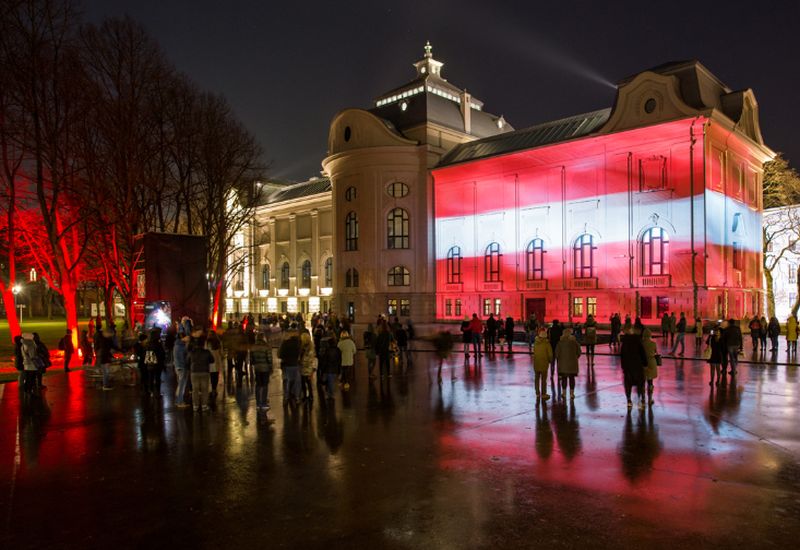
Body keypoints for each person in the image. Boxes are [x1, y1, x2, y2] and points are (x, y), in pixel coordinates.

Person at [620, 328, 647, 409]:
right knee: (640, 383)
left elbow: (622, 355)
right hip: (637, 365)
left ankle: (629, 400)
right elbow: (642, 353)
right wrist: (645, 363)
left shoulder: (625, 342)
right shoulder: (638, 340)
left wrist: (623, 366)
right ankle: (640, 399)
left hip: (628, 366)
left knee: (628, 384)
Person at [187, 335, 214, 412]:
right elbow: (212, 360)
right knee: (204, 389)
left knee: (195, 390)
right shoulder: (206, 352)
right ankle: (204, 405)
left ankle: (195, 406)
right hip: (204, 372)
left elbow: (187, 362)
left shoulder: (191, 352)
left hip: (194, 372)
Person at [554, 327, 581, 400]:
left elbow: (556, 354)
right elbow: (579, 352)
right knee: (572, 379)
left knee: (564, 379)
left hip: (563, 365)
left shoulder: (560, 343)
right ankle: (572, 394)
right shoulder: (575, 343)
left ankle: (564, 393)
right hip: (573, 365)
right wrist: (574, 358)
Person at [250, 333, 273, 411]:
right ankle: (263, 403)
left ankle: (258, 403)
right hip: (265, 368)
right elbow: (269, 359)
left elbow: (251, 359)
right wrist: (270, 367)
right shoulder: (266, 347)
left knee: (258, 385)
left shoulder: (253, 347)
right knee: (265, 385)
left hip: (257, 368)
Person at [278, 328, 302, 405]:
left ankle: (286, 397)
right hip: (295, 364)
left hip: (286, 364)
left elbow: (280, 355)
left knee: (286, 381)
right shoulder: (298, 343)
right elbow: (300, 353)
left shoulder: (285, 343)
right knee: (296, 381)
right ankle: (296, 397)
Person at [319, 331, 341, 400]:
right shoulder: (338, 350)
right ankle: (329, 393)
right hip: (335, 368)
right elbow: (339, 360)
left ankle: (330, 394)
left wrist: (322, 369)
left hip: (328, 368)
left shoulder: (327, 351)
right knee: (331, 381)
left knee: (329, 382)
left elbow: (325, 361)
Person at [533, 328, 552, 401]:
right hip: (544, 364)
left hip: (536, 364)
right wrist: (550, 361)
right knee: (543, 380)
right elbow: (550, 354)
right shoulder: (547, 344)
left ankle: (537, 393)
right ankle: (543, 394)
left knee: (537, 379)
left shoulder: (536, 342)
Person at [145, 328, 166, 396]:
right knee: (157, 378)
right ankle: (158, 392)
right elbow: (161, 353)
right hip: (157, 363)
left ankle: (151, 391)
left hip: (150, 362)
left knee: (150, 377)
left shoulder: (148, 343)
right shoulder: (158, 344)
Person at [641, 329, 658, 406]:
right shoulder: (653, 344)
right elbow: (655, 352)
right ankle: (650, 399)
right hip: (651, 362)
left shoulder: (641, 343)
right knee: (650, 381)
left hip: (642, 363)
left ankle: (643, 398)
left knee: (642, 381)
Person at [173, 333, 190, 407]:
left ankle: (178, 400)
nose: (189, 338)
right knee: (181, 385)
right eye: (187, 337)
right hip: (182, 367)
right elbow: (183, 358)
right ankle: (179, 401)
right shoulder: (180, 346)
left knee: (180, 384)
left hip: (179, 366)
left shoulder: (178, 345)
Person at [206, 330, 224, 398]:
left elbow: (205, 350)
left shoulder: (207, 342)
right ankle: (214, 389)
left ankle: (211, 389)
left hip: (209, 362)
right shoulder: (218, 342)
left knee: (211, 376)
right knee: (215, 376)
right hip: (217, 361)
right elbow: (221, 353)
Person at [299, 331, 316, 403]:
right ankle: (310, 396)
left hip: (304, 368)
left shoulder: (303, 349)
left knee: (304, 383)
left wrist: (301, 361)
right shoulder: (311, 347)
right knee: (308, 383)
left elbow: (305, 359)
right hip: (309, 368)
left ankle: (305, 396)